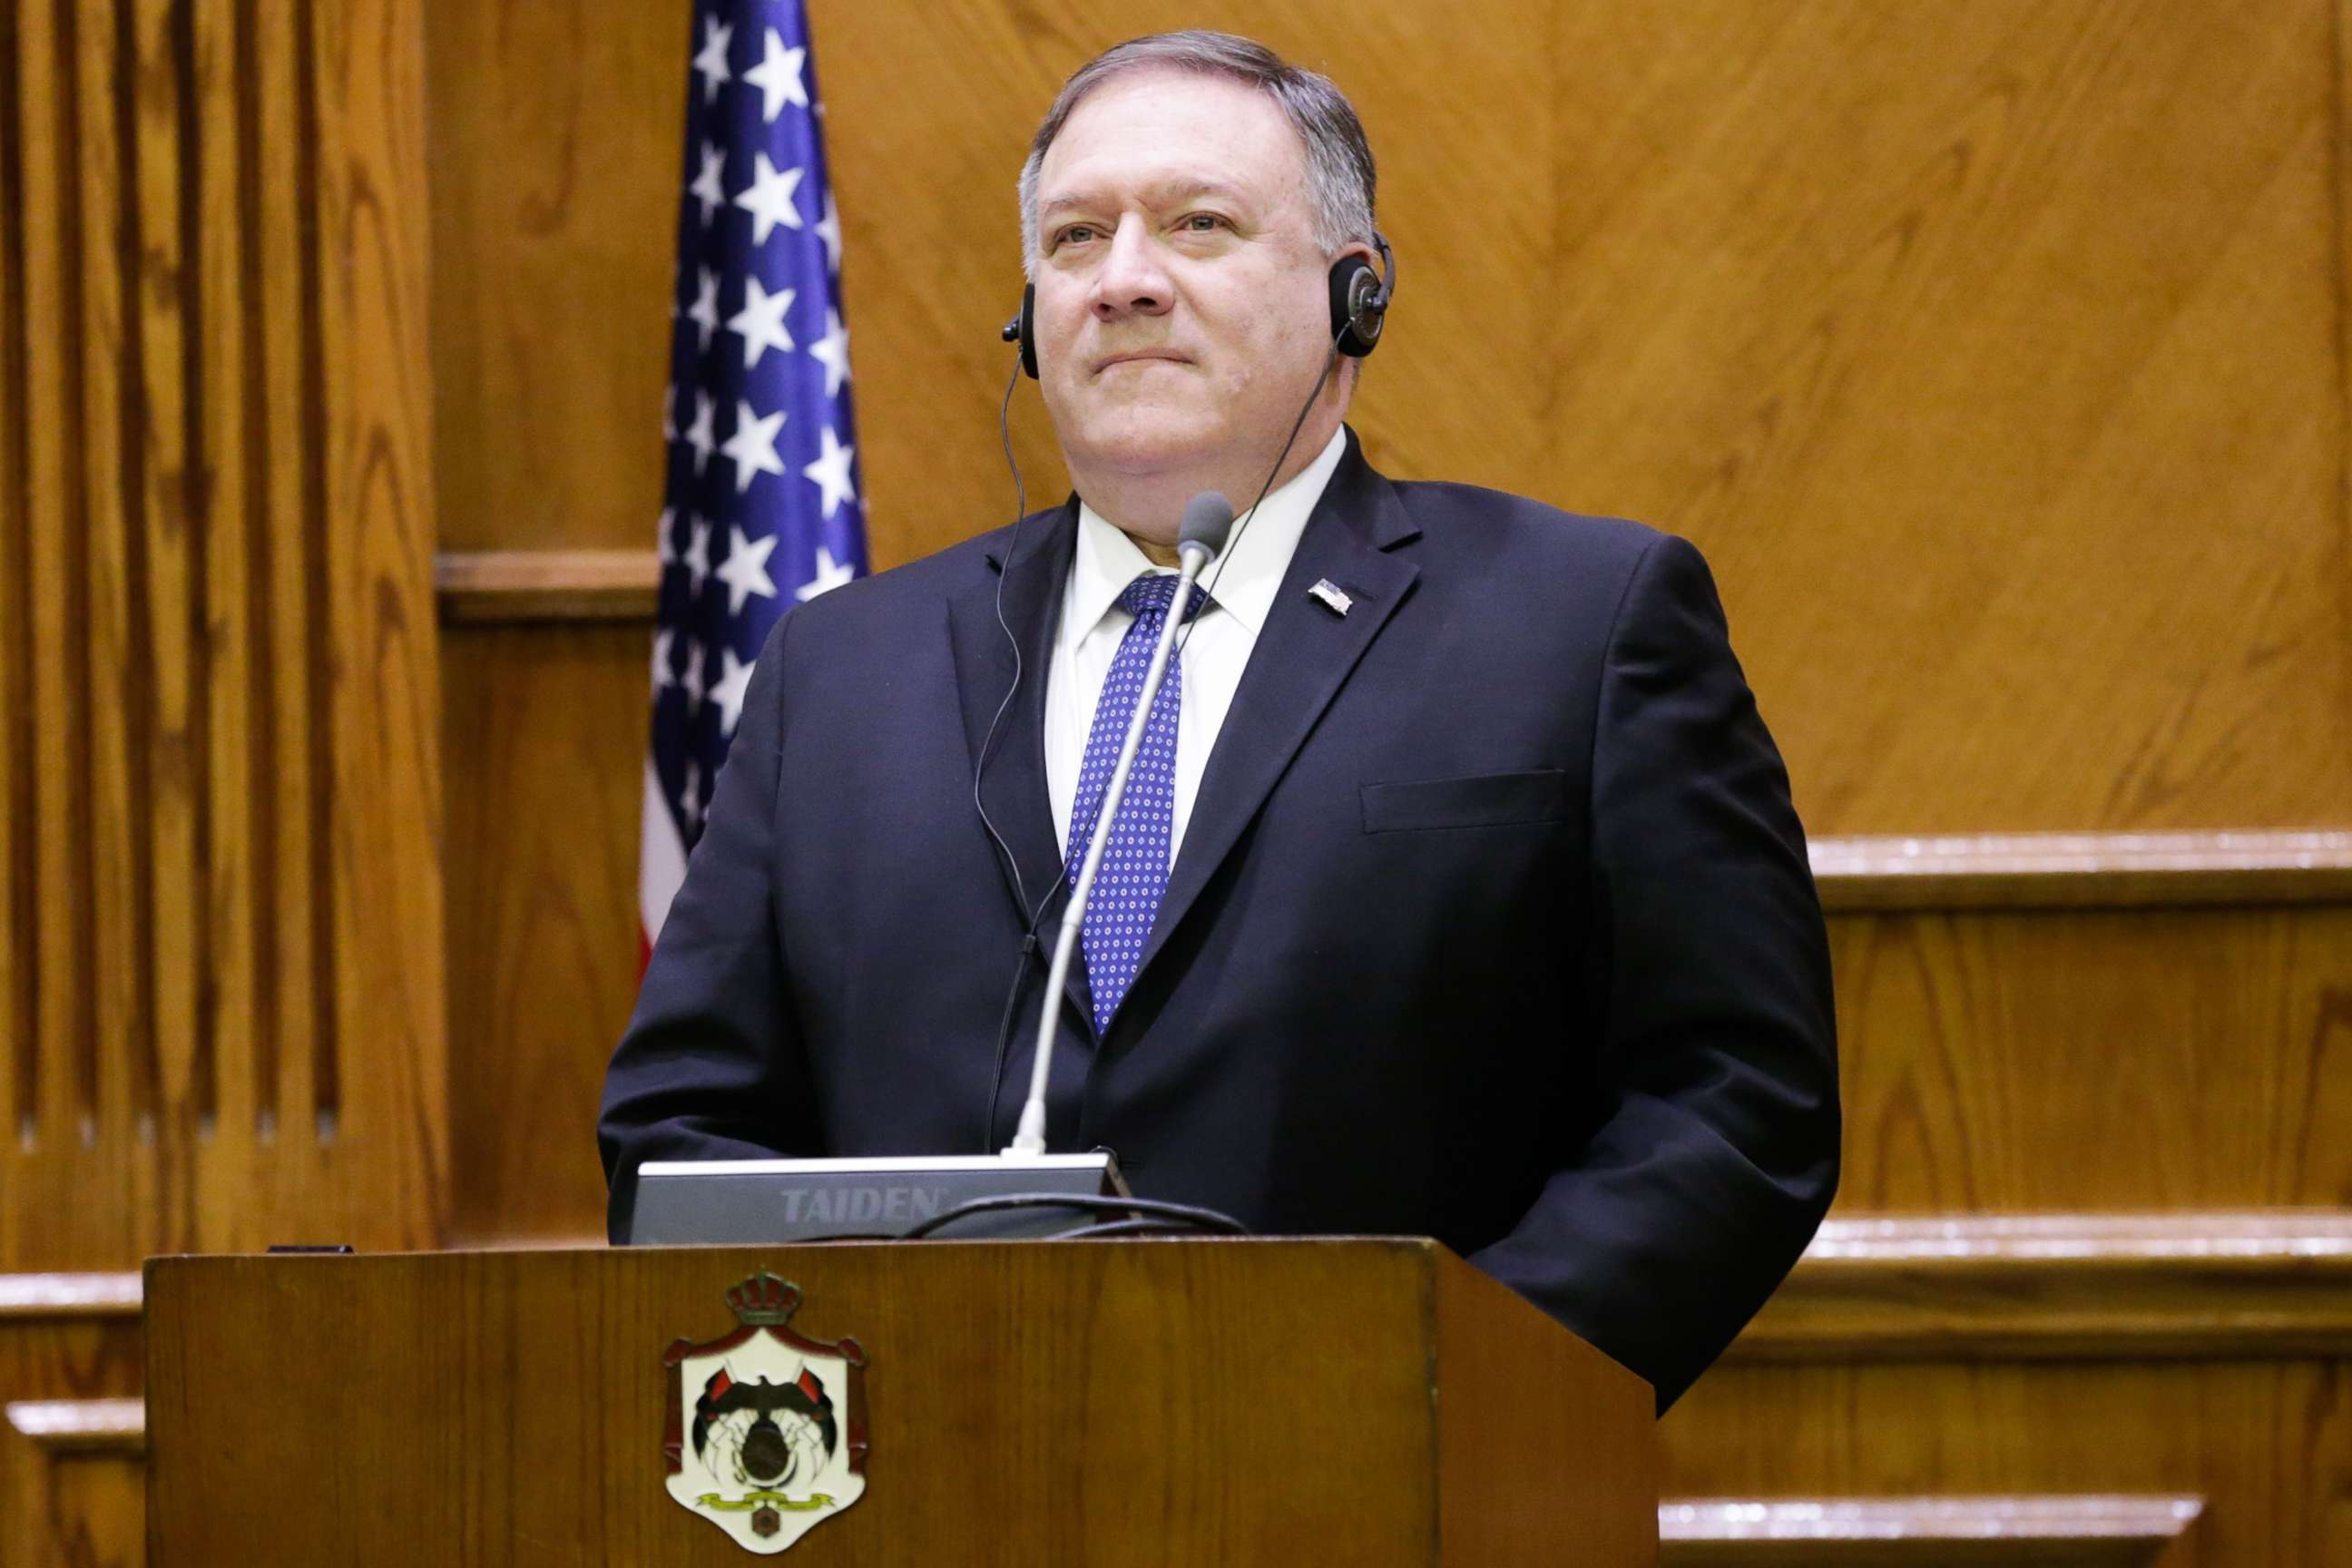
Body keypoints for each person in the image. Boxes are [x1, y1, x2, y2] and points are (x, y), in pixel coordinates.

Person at [601, 29, 1838, 1412]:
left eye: (1198, 224)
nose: (1125, 279)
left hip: (1391, 1481)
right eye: (1075, 239)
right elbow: (684, 1131)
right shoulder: (839, 670)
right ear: (1029, 315)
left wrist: (1438, 1380)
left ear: (1355, 294)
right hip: (926, 1476)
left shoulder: (1580, 623)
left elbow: (1734, 1100)